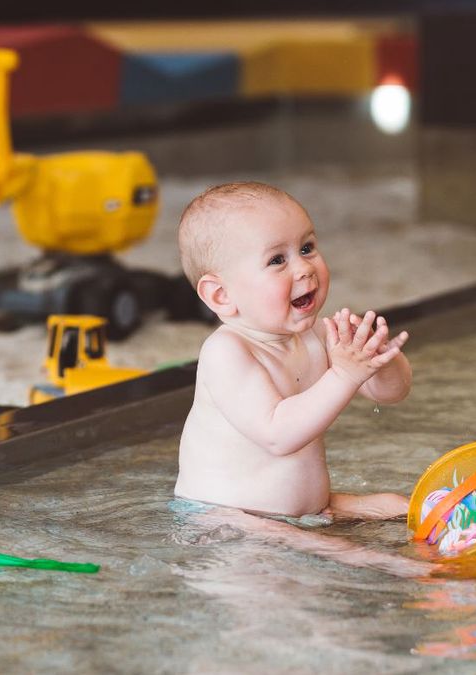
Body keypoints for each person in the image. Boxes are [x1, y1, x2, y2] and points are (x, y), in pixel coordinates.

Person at [173, 181, 428, 575]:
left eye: (307, 248)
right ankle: (399, 568)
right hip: (229, 519)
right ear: (222, 295)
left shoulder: (318, 335)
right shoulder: (226, 352)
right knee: (354, 556)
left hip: (307, 509)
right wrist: (344, 374)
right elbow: (279, 434)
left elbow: (391, 394)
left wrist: (379, 360)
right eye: (277, 260)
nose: (304, 267)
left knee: (402, 504)